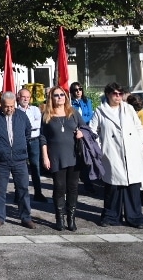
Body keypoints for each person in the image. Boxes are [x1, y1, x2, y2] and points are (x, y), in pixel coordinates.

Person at [89, 82, 143, 229]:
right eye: (115, 93)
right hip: (112, 153)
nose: (118, 96)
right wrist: (101, 149)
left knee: (132, 187)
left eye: (121, 94)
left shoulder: (128, 109)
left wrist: (141, 143)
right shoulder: (100, 111)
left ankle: (135, 217)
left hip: (131, 152)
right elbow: (92, 131)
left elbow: (139, 127)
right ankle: (110, 216)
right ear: (108, 94)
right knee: (113, 188)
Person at [0, 91, 35, 229]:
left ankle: (26, 217)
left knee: (23, 188)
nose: (9, 109)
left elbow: (27, 133)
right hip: (1, 160)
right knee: (0, 190)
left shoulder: (22, 116)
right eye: (6, 106)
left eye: (12, 106)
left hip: (19, 159)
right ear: (1, 104)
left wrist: (20, 146)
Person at [40, 86, 87, 231]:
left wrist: (81, 133)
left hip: (74, 156)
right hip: (56, 157)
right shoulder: (47, 115)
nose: (59, 97)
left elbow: (85, 128)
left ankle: (71, 218)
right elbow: (43, 138)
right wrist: (45, 157)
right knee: (59, 187)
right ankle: (59, 218)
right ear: (51, 98)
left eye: (62, 95)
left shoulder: (73, 113)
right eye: (56, 95)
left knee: (73, 188)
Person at [17, 88, 48, 203]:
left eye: (28, 97)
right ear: (18, 97)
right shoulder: (15, 110)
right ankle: (19, 193)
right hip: (21, 141)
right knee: (20, 168)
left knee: (35, 167)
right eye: (23, 97)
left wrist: (24, 125)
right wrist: (29, 125)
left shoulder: (35, 109)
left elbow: (38, 123)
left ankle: (38, 193)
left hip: (34, 140)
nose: (25, 99)